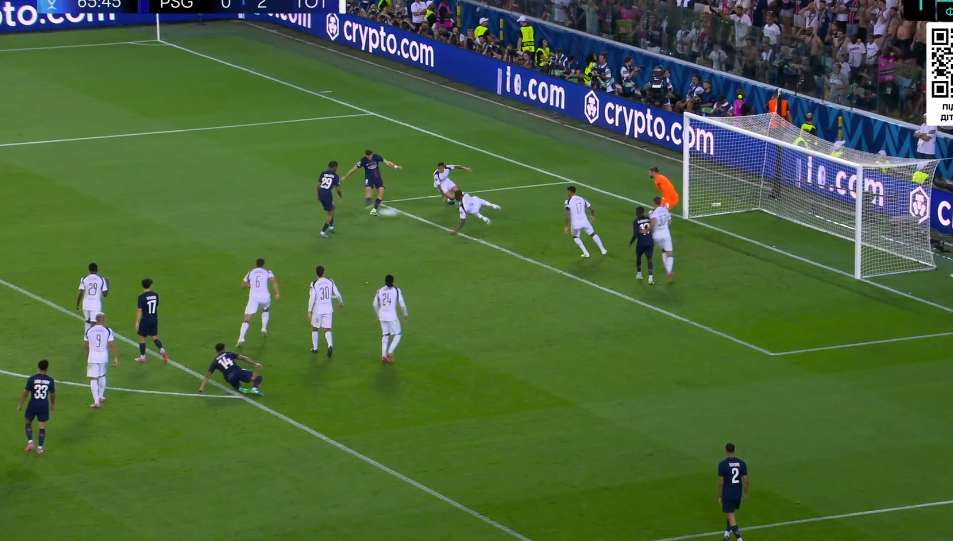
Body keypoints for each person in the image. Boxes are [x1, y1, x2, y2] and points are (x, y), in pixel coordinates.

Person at [341, 149, 403, 216]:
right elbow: (353, 169)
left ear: (372, 154)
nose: (369, 158)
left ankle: (374, 210)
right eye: (368, 157)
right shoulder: (363, 160)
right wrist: (345, 177)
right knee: (368, 189)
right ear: (366, 155)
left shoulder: (376, 156)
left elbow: (386, 162)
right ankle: (368, 205)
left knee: (381, 191)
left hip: (377, 177)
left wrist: (396, 166)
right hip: (369, 178)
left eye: (370, 156)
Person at [237, 258, 280, 347]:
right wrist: (277, 293)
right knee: (265, 309)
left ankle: (241, 338)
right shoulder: (267, 272)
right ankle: (264, 328)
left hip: (254, 298)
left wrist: (249, 286)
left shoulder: (251, 272)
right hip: (265, 297)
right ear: (263, 264)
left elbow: (243, 285)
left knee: (247, 318)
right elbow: (274, 282)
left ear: (256, 264)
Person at [18, 359, 55, 455]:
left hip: (33, 403)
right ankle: (40, 448)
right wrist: (52, 404)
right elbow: (52, 394)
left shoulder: (32, 379)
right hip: (43, 405)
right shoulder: (50, 380)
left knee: (28, 422)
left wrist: (20, 404)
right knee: (42, 426)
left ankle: (30, 442)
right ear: (47, 368)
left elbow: (25, 392)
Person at [199, 343, 263, 396]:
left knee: (238, 386)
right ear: (224, 348)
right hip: (238, 372)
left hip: (229, 378)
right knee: (258, 377)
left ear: (216, 351)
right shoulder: (229, 354)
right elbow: (243, 358)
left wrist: (202, 387)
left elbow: (208, 376)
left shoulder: (215, 361)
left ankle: (239, 388)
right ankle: (254, 389)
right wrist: (255, 363)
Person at [308, 265, 343, 357]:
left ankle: (315, 348)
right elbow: (337, 293)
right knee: (327, 329)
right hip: (328, 309)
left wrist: (309, 311)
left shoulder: (314, 283)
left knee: (315, 328)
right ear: (324, 272)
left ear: (316, 273)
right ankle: (330, 345)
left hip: (318, 310)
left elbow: (312, 298)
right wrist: (340, 302)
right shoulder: (330, 281)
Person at [85, 313, 118, 407]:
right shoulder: (108, 330)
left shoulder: (89, 330)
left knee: (93, 378)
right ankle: (101, 396)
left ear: (96, 320)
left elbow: (86, 344)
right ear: (104, 320)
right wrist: (115, 358)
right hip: (103, 356)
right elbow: (112, 345)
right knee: (102, 375)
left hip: (93, 356)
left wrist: (88, 353)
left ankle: (96, 402)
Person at [564, 186, 607, 258]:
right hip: (585, 222)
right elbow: (591, 208)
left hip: (576, 224)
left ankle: (586, 253)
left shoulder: (568, 201)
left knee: (576, 237)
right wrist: (592, 215)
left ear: (570, 192)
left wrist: (566, 226)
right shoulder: (582, 199)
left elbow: (567, 215)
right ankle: (603, 250)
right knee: (593, 234)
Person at [373, 275, 408, 363]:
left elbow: (374, 304)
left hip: (382, 315)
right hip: (392, 316)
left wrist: (378, 315)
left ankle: (383, 356)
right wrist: (405, 314)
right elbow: (402, 304)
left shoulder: (380, 290)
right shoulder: (396, 290)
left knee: (385, 335)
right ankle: (390, 352)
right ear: (393, 281)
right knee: (398, 334)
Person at [718, 443, 749, 541]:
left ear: (726, 451)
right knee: (731, 512)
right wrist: (745, 493)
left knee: (731, 517)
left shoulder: (723, 464)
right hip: (737, 493)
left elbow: (720, 483)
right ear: (734, 450)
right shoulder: (742, 463)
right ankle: (727, 534)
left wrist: (720, 496)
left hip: (728, 493)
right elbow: (746, 481)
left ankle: (740, 539)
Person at [134, 279, 169, 362]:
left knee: (142, 337)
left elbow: (139, 310)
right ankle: (162, 350)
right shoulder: (156, 295)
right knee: (154, 337)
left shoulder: (141, 297)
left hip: (146, 319)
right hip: (154, 318)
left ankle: (143, 357)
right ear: (150, 286)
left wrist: (137, 322)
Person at [76, 262, 109, 335]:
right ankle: (92, 339)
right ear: (97, 269)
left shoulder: (84, 278)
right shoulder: (101, 279)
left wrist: (77, 305)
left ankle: (86, 337)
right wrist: (107, 283)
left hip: (86, 304)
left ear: (89, 269)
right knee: (94, 324)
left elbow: (81, 292)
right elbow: (105, 294)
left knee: (87, 322)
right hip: (95, 304)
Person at [650, 197, 675, 282]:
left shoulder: (653, 212)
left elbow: (653, 222)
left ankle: (668, 272)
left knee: (664, 251)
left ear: (654, 203)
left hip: (656, 235)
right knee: (670, 254)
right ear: (661, 202)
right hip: (665, 234)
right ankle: (669, 272)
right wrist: (665, 227)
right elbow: (670, 221)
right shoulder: (666, 210)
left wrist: (649, 230)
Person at [629, 207, 655, 284]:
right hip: (650, 242)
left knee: (638, 256)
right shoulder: (648, 219)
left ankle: (639, 274)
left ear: (637, 212)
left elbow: (635, 234)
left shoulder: (635, 221)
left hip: (641, 243)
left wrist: (631, 242)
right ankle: (650, 278)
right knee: (649, 259)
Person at [317, 161, 343, 238]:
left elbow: (318, 185)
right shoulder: (335, 176)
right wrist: (340, 196)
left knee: (333, 208)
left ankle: (331, 227)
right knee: (330, 215)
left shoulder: (323, 173)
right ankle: (322, 232)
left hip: (321, 193)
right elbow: (338, 189)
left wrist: (318, 195)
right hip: (327, 195)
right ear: (335, 167)